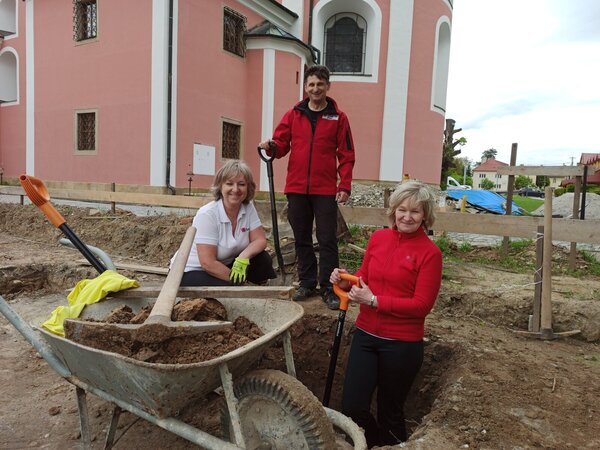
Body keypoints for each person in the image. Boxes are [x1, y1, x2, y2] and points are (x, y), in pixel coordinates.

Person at [329, 181, 443, 447]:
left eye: (415, 211)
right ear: (393, 211)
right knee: (353, 405)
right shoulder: (378, 239)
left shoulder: (430, 254)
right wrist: (345, 280)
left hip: (402, 344)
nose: (407, 216)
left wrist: (375, 300)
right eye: (402, 209)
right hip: (366, 336)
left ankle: (389, 444)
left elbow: (421, 305)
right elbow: (364, 279)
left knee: (391, 412)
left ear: (425, 215)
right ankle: (371, 442)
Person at [258, 64, 355, 309]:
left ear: (327, 86)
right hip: (297, 187)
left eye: (320, 84)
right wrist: (271, 146)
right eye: (311, 84)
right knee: (301, 237)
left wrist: (344, 184)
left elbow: (346, 154)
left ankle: (329, 286)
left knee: (327, 239)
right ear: (305, 87)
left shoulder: (338, 117)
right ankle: (307, 282)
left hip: (324, 189)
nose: (315, 88)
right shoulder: (294, 114)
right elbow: (281, 144)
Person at [171, 159, 276, 286]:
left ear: (248, 187)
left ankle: (257, 289)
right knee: (228, 287)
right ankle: (245, 291)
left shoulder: (248, 207)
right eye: (229, 184)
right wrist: (241, 284)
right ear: (220, 186)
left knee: (262, 260)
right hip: (192, 271)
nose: (235, 189)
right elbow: (207, 263)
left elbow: (260, 240)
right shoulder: (208, 214)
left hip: (223, 263)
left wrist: (243, 257)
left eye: (241, 184)